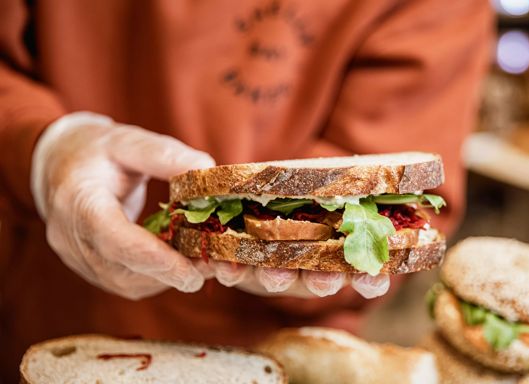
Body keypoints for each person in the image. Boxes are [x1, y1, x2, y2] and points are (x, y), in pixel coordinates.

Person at [0, 0, 493, 381]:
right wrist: (44, 148)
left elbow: (398, 173)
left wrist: (308, 254)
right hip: (42, 303)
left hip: (279, 352)